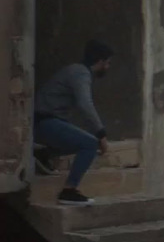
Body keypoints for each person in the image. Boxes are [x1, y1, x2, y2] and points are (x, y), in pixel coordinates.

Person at [33, 39, 115, 206]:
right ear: (100, 61)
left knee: (78, 139)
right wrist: (101, 134)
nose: (108, 67)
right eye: (107, 63)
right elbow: (85, 105)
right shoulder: (80, 73)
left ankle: (42, 155)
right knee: (90, 144)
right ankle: (69, 191)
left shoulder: (77, 72)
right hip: (44, 122)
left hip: (44, 122)